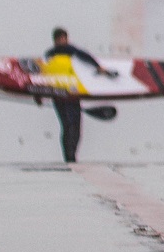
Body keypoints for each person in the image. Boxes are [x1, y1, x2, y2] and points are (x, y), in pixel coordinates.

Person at [44, 28, 114, 163]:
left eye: (64, 38)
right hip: (66, 94)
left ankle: (70, 156)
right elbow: (44, 75)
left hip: (64, 94)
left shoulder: (49, 55)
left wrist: (97, 66)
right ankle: (70, 157)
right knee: (70, 125)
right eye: (60, 39)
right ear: (56, 40)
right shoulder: (65, 52)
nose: (62, 41)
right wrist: (98, 67)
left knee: (70, 126)